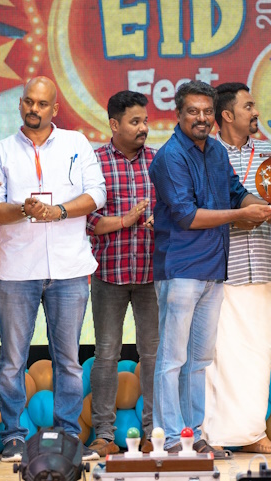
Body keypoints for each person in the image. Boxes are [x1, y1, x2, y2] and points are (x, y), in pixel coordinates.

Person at [149, 81, 271, 454]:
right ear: (178, 114)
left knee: (199, 360)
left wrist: (266, 208)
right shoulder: (170, 157)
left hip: (214, 270)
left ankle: (194, 435)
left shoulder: (216, 152)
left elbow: (238, 193)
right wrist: (242, 215)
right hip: (181, 270)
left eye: (207, 111)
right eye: (193, 111)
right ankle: (169, 439)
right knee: (172, 360)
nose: (201, 118)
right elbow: (187, 216)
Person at [0, 76, 106, 463]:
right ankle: (13, 436)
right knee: (12, 362)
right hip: (17, 270)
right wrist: (23, 209)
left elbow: (98, 193)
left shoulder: (77, 143)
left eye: (42, 104)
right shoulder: (0, 151)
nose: (33, 109)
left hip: (69, 269)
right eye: (28, 102)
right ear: (20, 104)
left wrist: (60, 211)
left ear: (55, 108)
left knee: (68, 360)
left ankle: (67, 435)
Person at [202, 83, 271, 454]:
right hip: (219, 267)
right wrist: (241, 215)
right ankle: (214, 435)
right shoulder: (205, 154)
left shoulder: (270, 154)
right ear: (227, 115)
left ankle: (252, 433)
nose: (256, 112)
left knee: (258, 352)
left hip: (262, 264)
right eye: (248, 106)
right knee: (218, 356)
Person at [86, 91, 158, 457]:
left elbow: (176, 210)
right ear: (114, 124)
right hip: (108, 274)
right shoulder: (94, 162)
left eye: (145, 121)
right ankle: (103, 435)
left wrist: (160, 220)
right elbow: (89, 222)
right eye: (135, 122)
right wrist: (126, 221)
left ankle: (154, 432)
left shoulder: (159, 161)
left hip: (151, 273)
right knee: (106, 355)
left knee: (154, 355)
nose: (143, 128)